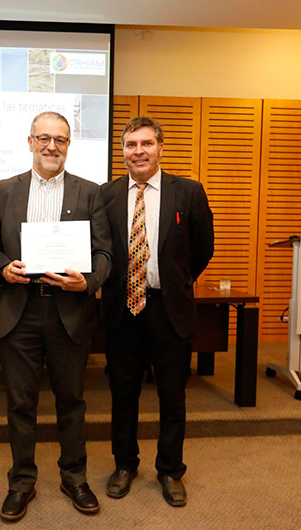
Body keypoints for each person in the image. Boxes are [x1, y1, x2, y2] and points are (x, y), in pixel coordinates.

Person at [0, 111, 112, 522]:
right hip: (18, 312)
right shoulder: (4, 190)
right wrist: (2, 268)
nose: (51, 146)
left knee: (71, 401)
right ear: (30, 142)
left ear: (69, 144)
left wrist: (88, 282)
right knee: (20, 404)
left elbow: (104, 253)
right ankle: (21, 482)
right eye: (44, 138)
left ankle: (74, 476)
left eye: (60, 139)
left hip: (68, 310)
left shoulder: (90, 192)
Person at [100, 116, 214, 508]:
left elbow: (203, 249)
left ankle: (169, 469)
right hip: (122, 310)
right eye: (131, 145)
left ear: (160, 148)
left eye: (146, 144)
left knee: (172, 395)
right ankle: (125, 465)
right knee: (123, 394)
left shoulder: (189, 192)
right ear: (123, 151)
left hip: (169, 308)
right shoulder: (107, 194)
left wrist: (176, 279)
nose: (139, 152)